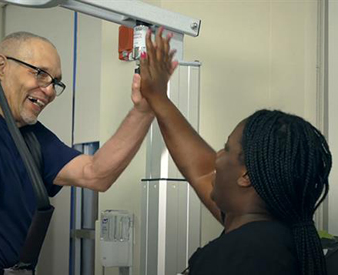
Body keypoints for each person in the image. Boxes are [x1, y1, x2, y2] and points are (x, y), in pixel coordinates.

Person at [0, 31, 177, 274]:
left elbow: (96, 174)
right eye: (40, 74)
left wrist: (144, 110)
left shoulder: (29, 135)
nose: (50, 91)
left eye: (55, 82)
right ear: (0, 66)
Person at [139, 28, 333, 274]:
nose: (216, 157)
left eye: (226, 149)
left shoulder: (238, 258)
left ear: (246, 176)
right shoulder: (282, 237)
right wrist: (157, 96)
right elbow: (200, 171)